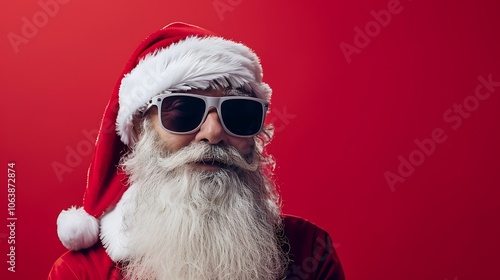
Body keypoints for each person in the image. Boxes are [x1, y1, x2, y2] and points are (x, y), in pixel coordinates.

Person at [48, 22, 345, 280]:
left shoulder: (309, 252)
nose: (213, 133)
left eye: (238, 114)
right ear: (140, 129)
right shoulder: (82, 273)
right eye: (184, 112)